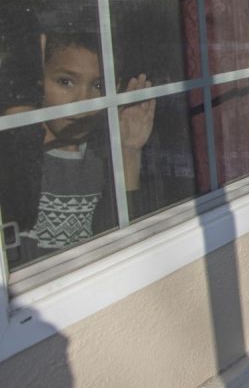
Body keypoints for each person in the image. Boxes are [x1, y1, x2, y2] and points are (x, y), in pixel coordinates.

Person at [0, 26, 155, 268]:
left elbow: (124, 240)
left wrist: (129, 152)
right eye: (66, 82)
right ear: (38, 81)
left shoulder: (100, 156)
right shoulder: (19, 154)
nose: (83, 101)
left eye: (99, 86)